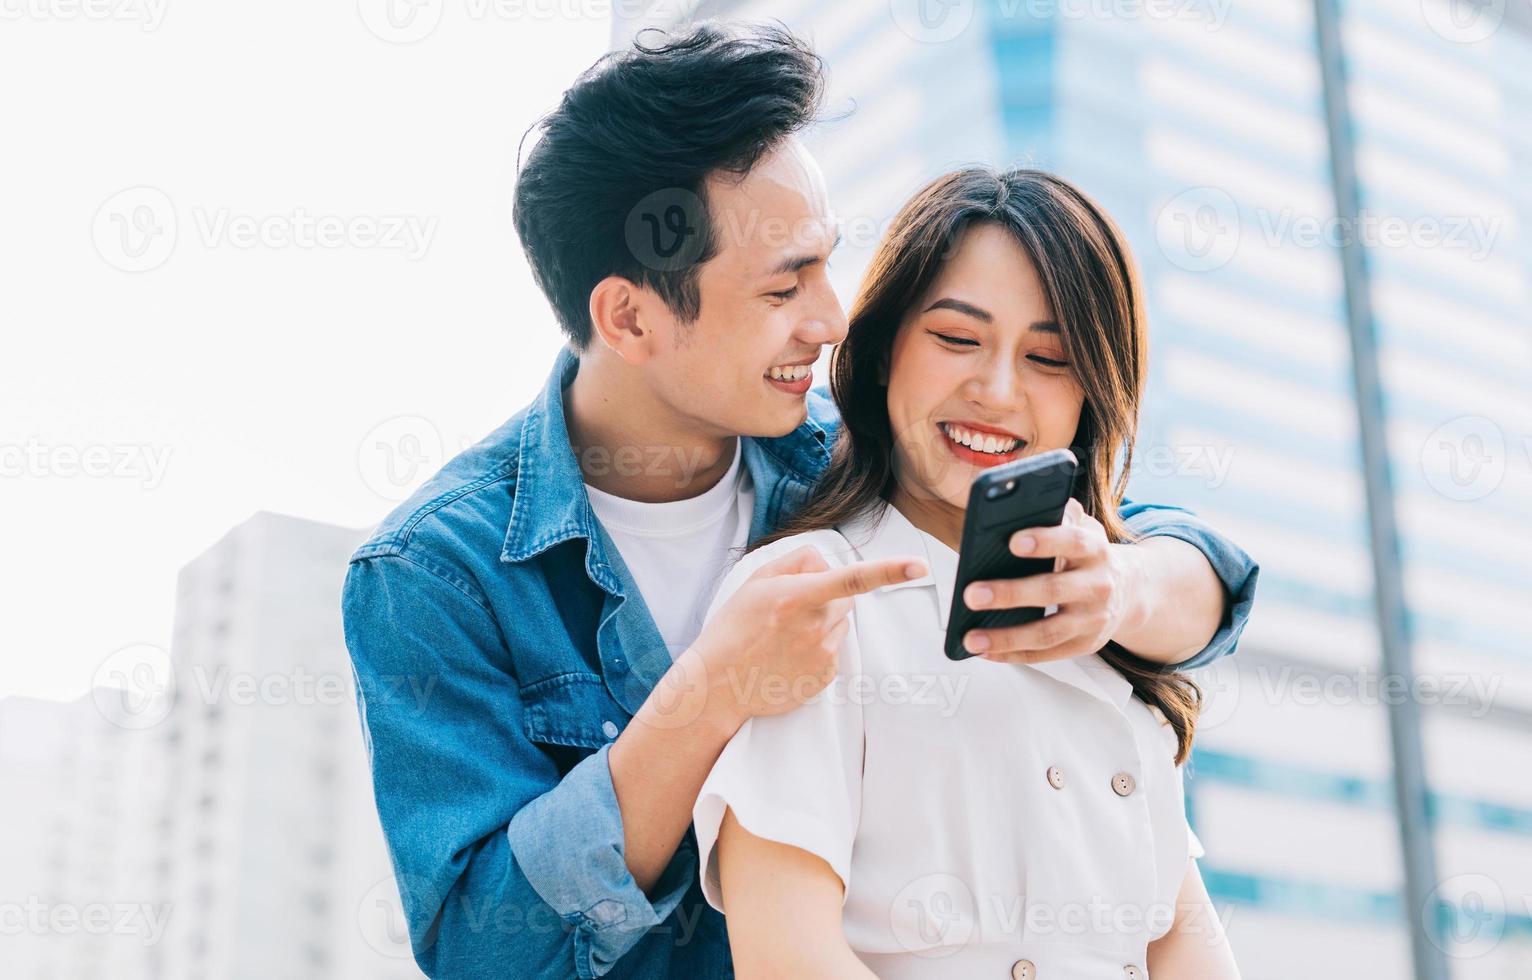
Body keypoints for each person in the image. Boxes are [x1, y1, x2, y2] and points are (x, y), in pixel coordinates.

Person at [339, 24, 1258, 980]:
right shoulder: (433, 574)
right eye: (785, 287)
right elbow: (480, 948)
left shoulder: (857, 449)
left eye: (824, 263)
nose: (831, 318)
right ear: (630, 316)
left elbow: (1184, 558)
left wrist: (1126, 590)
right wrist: (709, 695)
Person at [692, 168, 1247, 978]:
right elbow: (787, 955)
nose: (995, 390)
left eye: (1050, 357)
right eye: (957, 339)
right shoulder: (806, 594)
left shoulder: (1096, 608)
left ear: (1091, 397)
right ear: (883, 353)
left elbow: (1177, 931)